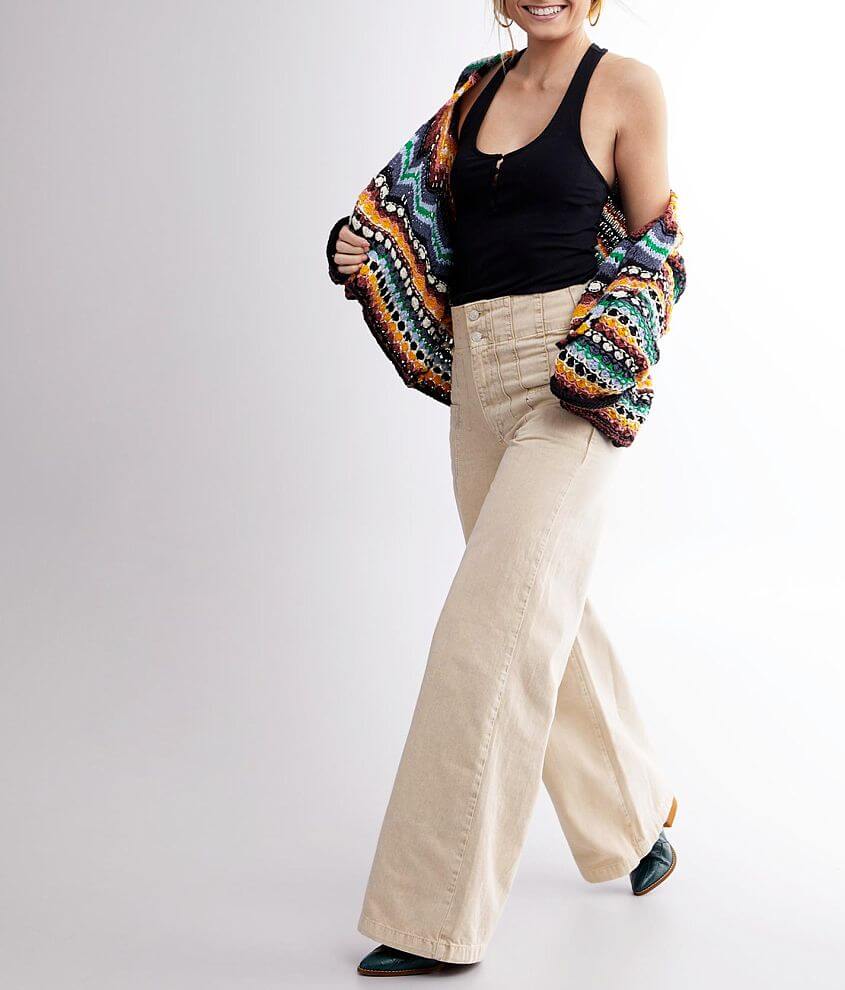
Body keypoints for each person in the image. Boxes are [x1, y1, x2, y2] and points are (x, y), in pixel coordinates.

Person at [325, 0, 686, 977]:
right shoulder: (471, 94)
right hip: (478, 383)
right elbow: (409, 212)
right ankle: (633, 820)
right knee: (536, 611)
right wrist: (368, 244)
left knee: (485, 635)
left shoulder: (625, 86)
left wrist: (604, 356)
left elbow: (660, 250)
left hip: (570, 378)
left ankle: (430, 917)